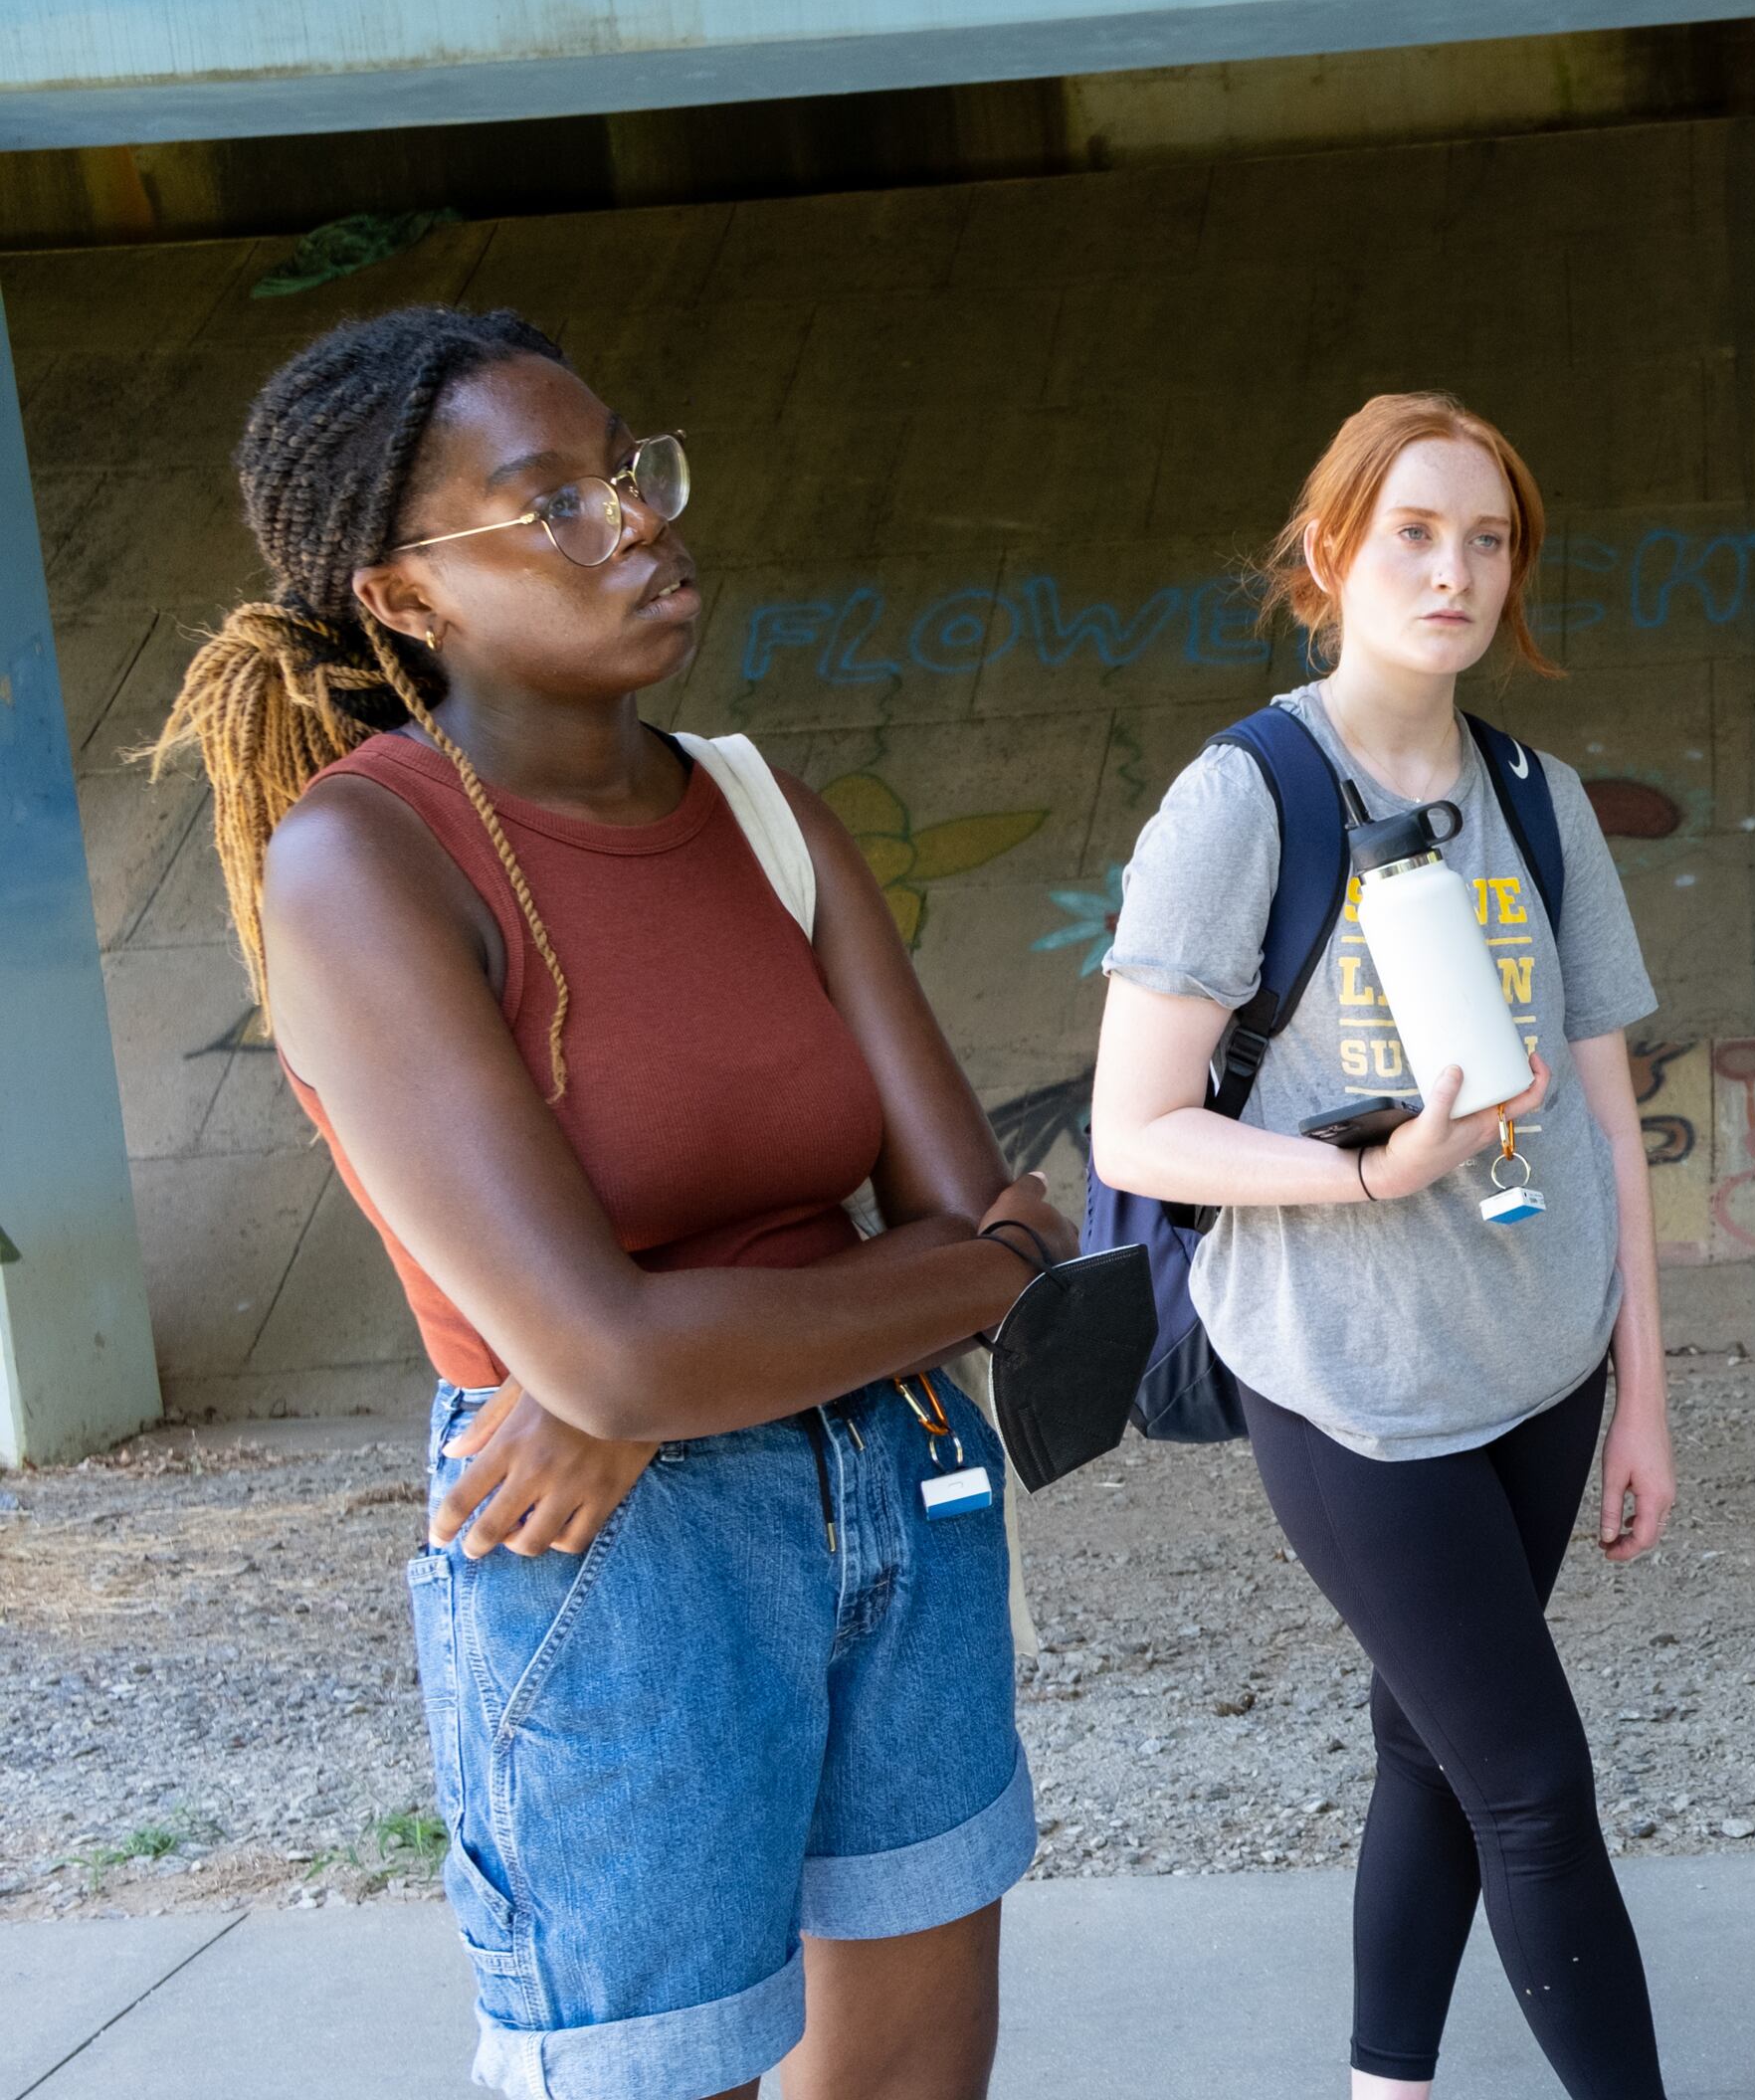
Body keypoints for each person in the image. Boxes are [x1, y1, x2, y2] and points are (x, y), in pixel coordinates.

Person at [145, 306, 1072, 2100]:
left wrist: (701, 1347)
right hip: (620, 1571)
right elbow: (617, 1349)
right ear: (407, 595)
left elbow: (1004, 1235)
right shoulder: (366, 861)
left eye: (627, 472)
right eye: (549, 504)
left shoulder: (759, 808)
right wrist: (941, 1274)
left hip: (903, 1497)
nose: (635, 522)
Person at [1085, 392, 1676, 2100]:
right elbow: (1139, 1129)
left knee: (1429, 1750)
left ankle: (1382, 2089)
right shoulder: (1246, 799)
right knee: (1533, 1790)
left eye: (1488, 540)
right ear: (1331, 551)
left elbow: (1603, 1119)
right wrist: (1374, 1173)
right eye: (1415, 532)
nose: (1456, 570)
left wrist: (1644, 1396)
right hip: (1357, 1392)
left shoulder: (1538, 798)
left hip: (1546, 1360)